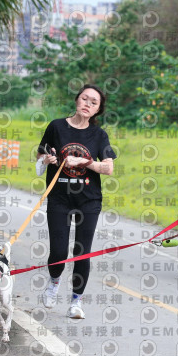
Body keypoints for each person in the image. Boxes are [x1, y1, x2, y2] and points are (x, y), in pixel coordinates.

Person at [37, 84, 117, 319]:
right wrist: (48, 159)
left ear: (98, 109)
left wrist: (86, 163)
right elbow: (40, 156)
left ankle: (76, 301)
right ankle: (54, 281)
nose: (87, 104)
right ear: (76, 100)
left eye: (94, 102)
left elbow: (108, 168)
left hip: (88, 200)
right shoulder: (56, 127)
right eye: (84, 99)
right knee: (59, 250)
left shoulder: (99, 135)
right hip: (59, 197)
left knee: (82, 251)